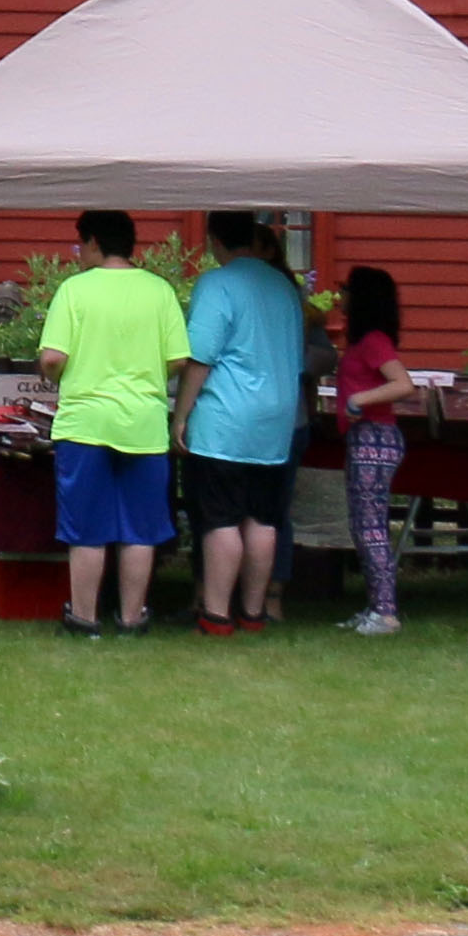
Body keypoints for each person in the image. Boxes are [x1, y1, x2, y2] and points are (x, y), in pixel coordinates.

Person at [36, 210, 197, 639]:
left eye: (80, 245)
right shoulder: (158, 291)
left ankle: (84, 618)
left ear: (92, 243)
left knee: (86, 528)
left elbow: (53, 358)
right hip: (142, 423)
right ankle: (132, 617)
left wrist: (57, 377)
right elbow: (178, 360)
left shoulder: (75, 290)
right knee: (140, 528)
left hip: (85, 422)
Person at [179, 211, 309, 635]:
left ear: (215, 240)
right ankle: (254, 612)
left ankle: (216, 613)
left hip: (226, 420)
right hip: (276, 421)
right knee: (263, 518)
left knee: (220, 518)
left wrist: (180, 416)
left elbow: (200, 356)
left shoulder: (217, 284)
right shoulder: (284, 287)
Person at [330, 265, 415, 634]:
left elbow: (403, 384)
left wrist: (360, 399)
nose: (340, 296)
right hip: (365, 437)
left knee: (371, 528)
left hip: (374, 437)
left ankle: (386, 612)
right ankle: (375, 607)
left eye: (346, 289)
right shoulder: (361, 341)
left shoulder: (375, 341)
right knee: (363, 525)